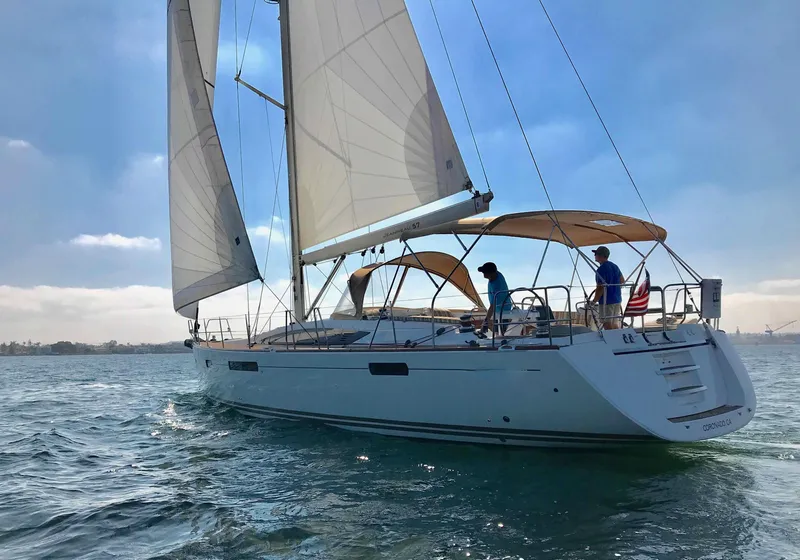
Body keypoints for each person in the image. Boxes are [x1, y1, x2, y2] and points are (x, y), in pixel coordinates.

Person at [591, 246, 625, 330]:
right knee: (614, 322)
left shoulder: (601, 269)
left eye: (596, 254)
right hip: (617, 299)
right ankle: (617, 339)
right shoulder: (615, 266)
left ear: (601, 256)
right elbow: (622, 280)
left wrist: (593, 301)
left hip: (607, 301)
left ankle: (612, 341)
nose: (595, 256)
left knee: (607, 323)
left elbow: (600, 288)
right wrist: (614, 289)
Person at [477, 262, 513, 335]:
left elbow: (492, 306)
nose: (483, 274)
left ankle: (501, 341)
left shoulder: (497, 286)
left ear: (491, 273)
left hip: (503, 310)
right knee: (496, 330)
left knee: (501, 331)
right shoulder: (496, 275)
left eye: (485, 272)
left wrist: (486, 322)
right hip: (497, 310)